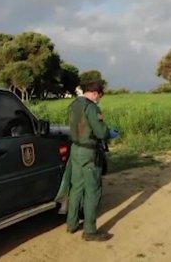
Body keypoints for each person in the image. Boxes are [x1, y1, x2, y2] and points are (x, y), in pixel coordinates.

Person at [64, 79, 118, 241]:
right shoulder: (92, 108)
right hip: (89, 152)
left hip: (75, 149)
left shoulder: (74, 105)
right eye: (99, 96)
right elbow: (101, 133)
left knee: (76, 188)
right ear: (95, 93)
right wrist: (112, 133)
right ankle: (90, 231)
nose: (99, 100)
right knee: (92, 191)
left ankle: (71, 224)